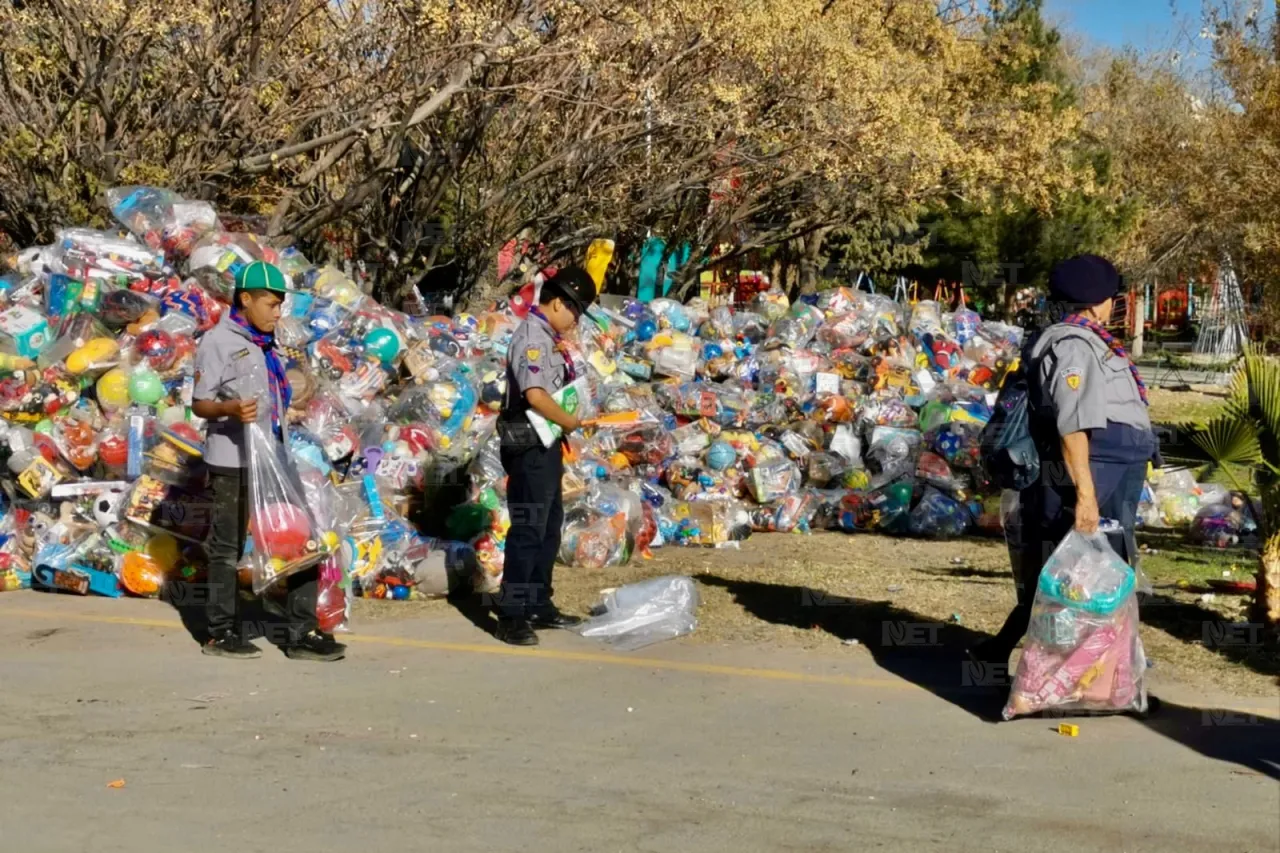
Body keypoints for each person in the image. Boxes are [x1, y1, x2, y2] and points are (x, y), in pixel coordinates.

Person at [973, 255, 1158, 670]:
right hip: (1092, 471)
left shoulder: (1093, 341)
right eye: (1112, 297)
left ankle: (1110, 669)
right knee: (1073, 572)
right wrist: (1086, 495)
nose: (1115, 304)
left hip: (1114, 471)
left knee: (1101, 567)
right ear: (1096, 301)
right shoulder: (1072, 345)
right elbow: (1073, 426)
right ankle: (1066, 673)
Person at [192, 261, 345, 662]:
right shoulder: (217, 342)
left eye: (280, 306)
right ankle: (220, 632)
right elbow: (199, 403)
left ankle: (301, 630)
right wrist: (228, 408)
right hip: (232, 460)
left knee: (301, 541)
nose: (277, 313)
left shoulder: (266, 342)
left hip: (274, 456)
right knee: (226, 548)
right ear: (245, 299)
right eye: (271, 304)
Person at [493, 266, 597, 646]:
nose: (575, 321)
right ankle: (512, 613)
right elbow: (536, 395)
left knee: (550, 525)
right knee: (529, 527)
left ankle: (538, 601)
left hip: (548, 441)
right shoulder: (532, 337)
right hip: (529, 442)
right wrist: (571, 421)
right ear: (557, 303)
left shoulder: (550, 336)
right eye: (576, 312)